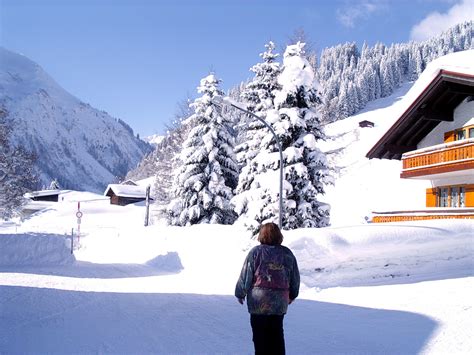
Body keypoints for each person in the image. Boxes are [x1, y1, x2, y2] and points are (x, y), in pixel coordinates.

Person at [235, 222, 300, 355]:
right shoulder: (287, 254)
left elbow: (246, 274)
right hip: (279, 303)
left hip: (259, 303)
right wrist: (293, 294)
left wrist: (240, 292)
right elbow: (294, 277)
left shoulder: (256, 253)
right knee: (277, 336)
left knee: (260, 338)